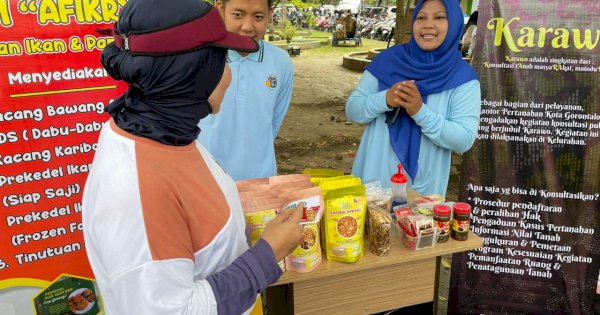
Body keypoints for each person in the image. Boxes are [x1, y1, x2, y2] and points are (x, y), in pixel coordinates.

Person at [82, 0, 303, 314]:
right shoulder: (133, 190)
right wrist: (267, 255)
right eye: (219, 60)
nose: (229, 72)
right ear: (190, 73)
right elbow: (171, 310)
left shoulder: (164, 132)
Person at [345, 0, 481, 197]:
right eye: (421, 17)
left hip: (423, 192)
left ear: (455, 24)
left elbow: (463, 140)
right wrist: (384, 99)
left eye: (440, 17)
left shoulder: (462, 78)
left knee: (414, 227)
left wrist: (420, 112)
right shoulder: (388, 61)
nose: (428, 24)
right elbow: (353, 110)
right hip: (372, 182)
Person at [197, 0, 294, 181]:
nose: (248, 27)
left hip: (260, 182)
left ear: (270, 15)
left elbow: (273, 123)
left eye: (258, 17)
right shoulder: (199, 57)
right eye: (238, 15)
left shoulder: (281, 62)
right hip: (206, 180)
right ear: (220, 9)